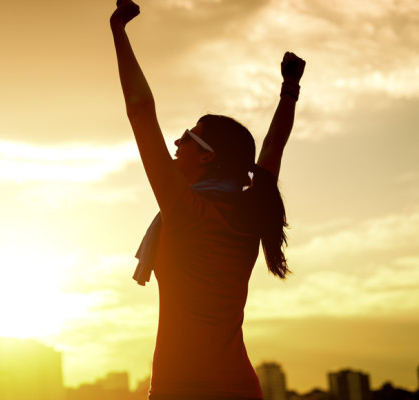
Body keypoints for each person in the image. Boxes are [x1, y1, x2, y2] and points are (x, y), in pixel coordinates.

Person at [110, 1, 306, 399]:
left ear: (207, 156)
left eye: (187, 137)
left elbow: (140, 111)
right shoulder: (252, 209)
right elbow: (274, 145)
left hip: (181, 388)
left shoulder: (185, 211)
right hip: (240, 387)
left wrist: (119, 33)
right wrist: (289, 89)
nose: (176, 143)